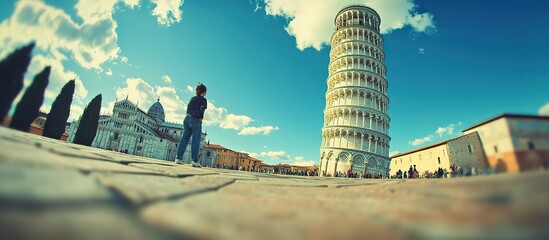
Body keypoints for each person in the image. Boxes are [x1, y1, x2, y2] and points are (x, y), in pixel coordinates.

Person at [175, 83, 208, 167]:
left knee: (184, 138)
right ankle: (194, 161)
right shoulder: (203, 100)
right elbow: (202, 109)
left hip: (186, 118)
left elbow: (188, 109)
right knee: (196, 140)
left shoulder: (192, 98)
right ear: (203, 92)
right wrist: (200, 118)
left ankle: (178, 158)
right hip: (195, 120)